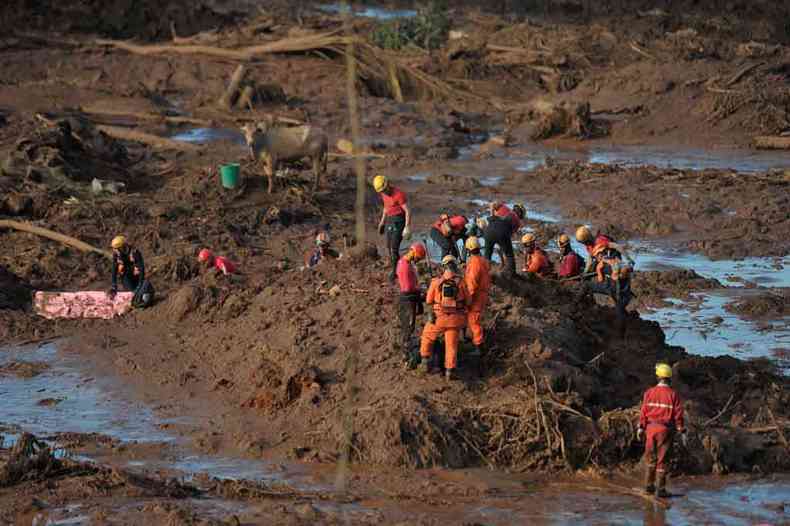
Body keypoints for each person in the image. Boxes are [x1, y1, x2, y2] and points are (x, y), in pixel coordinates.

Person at [637, 363, 687, 498]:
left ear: (658, 377)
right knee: (663, 459)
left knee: (650, 458)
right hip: (665, 430)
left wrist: (641, 427)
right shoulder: (673, 394)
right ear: (669, 378)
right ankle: (661, 489)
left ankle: (648, 487)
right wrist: (682, 431)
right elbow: (678, 415)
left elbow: (643, 412)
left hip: (650, 429)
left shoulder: (649, 392)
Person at [419, 255, 470, 381]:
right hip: (456, 320)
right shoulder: (461, 282)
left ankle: (425, 361)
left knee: (427, 336)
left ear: (443, 267)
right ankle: (449, 371)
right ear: (455, 266)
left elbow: (428, 300)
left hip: (439, 318)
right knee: (451, 345)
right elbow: (468, 301)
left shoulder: (436, 282)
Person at [373, 175, 411, 282]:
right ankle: (396, 265)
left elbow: (407, 211)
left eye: (384, 189)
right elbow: (386, 208)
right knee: (388, 246)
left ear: (388, 184)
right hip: (390, 220)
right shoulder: (383, 194)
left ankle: (395, 272)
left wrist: (407, 227)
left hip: (399, 221)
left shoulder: (399, 194)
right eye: (381, 191)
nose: (384, 192)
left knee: (394, 248)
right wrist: (382, 223)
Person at [397, 242, 427, 353]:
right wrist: (420, 291)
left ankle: (407, 344)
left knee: (409, 324)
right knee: (409, 324)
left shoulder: (404, 262)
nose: (418, 261)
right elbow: (408, 288)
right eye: (418, 258)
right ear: (413, 253)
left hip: (408, 296)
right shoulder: (405, 266)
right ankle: (406, 349)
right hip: (408, 299)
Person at [463, 236, 490, 357]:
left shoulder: (474, 263)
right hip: (482, 293)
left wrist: (467, 299)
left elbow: (472, 283)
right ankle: (475, 341)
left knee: (474, 321)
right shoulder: (482, 260)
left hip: (476, 296)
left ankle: (479, 347)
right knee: (473, 319)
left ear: (468, 250)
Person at [482, 202, 526, 276]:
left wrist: (492, 213)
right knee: (509, 255)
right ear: (520, 214)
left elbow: (492, 204)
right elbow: (507, 236)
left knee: (487, 255)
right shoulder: (517, 222)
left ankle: (484, 274)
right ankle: (512, 274)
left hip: (488, 230)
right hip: (502, 232)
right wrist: (502, 248)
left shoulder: (504, 207)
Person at [110, 235, 153, 308]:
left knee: (142, 292)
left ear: (121, 247)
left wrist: (140, 283)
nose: (115, 251)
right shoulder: (116, 255)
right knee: (131, 296)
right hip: (126, 276)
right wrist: (114, 285)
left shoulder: (134, 252)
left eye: (116, 249)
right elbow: (114, 269)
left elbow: (141, 268)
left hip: (137, 275)